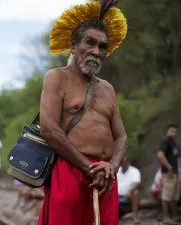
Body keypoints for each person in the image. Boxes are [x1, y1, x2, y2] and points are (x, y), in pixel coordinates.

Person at [37, 1, 128, 225]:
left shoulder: (107, 88)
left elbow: (122, 137)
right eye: (90, 42)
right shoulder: (56, 77)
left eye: (102, 46)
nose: (96, 51)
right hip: (70, 171)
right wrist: (88, 168)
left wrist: (112, 168)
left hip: (105, 177)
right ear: (73, 45)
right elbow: (49, 130)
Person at [157, 124, 180, 224]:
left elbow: (177, 158)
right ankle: (166, 217)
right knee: (166, 196)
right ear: (167, 131)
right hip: (168, 172)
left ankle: (175, 215)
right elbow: (160, 155)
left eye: (175, 131)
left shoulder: (175, 143)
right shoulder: (165, 142)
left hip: (175, 172)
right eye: (171, 131)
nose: (173, 133)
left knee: (174, 195)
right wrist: (169, 167)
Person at [117, 157, 141, 224]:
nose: (122, 164)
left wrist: (129, 192)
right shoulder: (117, 170)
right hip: (117, 194)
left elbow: (136, 183)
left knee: (136, 192)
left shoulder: (135, 171)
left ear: (128, 162)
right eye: (121, 162)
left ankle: (135, 217)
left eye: (123, 162)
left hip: (129, 195)